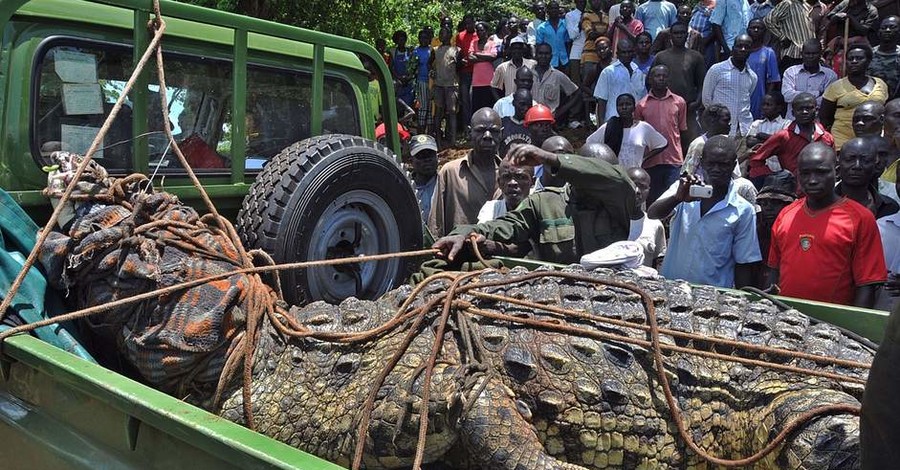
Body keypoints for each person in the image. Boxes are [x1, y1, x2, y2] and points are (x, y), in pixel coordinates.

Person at [432, 143, 638, 264]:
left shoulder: (619, 201)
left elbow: (618, 180)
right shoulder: (544, 201)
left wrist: (549, 158)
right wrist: (465, 232)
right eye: (591, 176)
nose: (599, 183)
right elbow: (506, 225)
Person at [767, 142, 887, 307]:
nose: (813, 180)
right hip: (786, 319)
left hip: (833, 324)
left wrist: (855, 326)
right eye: (805, 173)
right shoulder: (786, 214)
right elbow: (774, 270)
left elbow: (867, 285)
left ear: (836, 172)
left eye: (821, 172)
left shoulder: (861, 218)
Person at [648, 135, 761, 288]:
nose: (716, 170)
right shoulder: (682, 189)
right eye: (711, 164)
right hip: (671, 288)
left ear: (733, 165)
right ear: (702, 162)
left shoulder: (743, 211)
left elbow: (743, 263)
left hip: (712, 296)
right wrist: (677, 198)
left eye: (723, 165)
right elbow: (652, 213)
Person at [428, 108, 503, 237]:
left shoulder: (512, 176)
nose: (487, 136)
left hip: (501, 255)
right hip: (459, 254)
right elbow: (436, 225)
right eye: (480, 130)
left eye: (494, 131)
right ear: (469, 132)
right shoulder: (450, 172)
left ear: (501, 134)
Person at [748, 92, 834, 185]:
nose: (804, 112)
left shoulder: (827, 137)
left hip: (822, 190)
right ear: (793, 113)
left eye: (808, 108)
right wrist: (774, 178)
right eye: (800, 109)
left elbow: (833, 164)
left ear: (816, 110)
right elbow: (756, 159)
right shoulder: (784, 136)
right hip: (793, 192)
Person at [821, 44, 889, 150]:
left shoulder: (881, 84)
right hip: (843, 139)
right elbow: (825, 117)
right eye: (850, 59)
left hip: (874, 139)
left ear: (869, 61)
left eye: (859, 58)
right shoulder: (835, 87)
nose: (854, 61)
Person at [635, 65, 688, 201]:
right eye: (657, 76)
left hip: (674, 159)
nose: (661, 79)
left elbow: (682, 130)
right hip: (651, 161)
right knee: (653, 198)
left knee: (674, 197)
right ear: (650, 80)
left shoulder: (679, 102)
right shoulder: (641, 105)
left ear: (669, 80)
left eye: (664, 76)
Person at [653, 22, 707, 145]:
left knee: (689, 141)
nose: (679, 36)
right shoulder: (661, 57)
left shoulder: (695, 57)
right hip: (665, 106)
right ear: (670, 36)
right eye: (676, 33)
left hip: (689, 108)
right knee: (666, 140)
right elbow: (650, 81)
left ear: (687, 35)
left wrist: (698, 102)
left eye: (682, 33)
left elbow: (702, 83)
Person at [586, 93, 668, 168]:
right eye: (620, 105)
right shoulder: (609, 126)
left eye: (628, 104)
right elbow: (590, 143)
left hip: (634, 175)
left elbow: (662, 143)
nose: (624, 107)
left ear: (634, 108)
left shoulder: (643, 128)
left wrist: (644, 158)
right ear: (616, 108)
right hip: (614, 175)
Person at [702, 34, 758, 136]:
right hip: (721, 130)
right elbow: (706, 99)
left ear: (751, 50)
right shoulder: (717, 70)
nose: (743, 49)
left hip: (744, 130)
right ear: (733, 48)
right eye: (739, 46)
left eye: (746, 47)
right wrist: (718, 120)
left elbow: (747, 97)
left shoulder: (752, 76)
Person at [836, 137, 900, 219]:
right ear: (839, 163)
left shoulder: (889, 207)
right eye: (850, 159)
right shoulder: (821, 203)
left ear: (874, 165)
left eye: (865, 160)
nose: (857, 166)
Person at [753, 174, 798, 288]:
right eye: (764, 203)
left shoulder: (798, 228)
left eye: (776, 203)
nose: (768, 208)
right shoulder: (755, 225)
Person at [781, 39, 838, 119]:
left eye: (814, 53)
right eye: (807, 53)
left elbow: (826, 101)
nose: (810, 57)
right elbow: (787, 96)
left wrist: (799, 98)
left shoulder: (830, 75)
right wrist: (816, 93)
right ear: (802, 54)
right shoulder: (791, 72)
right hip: (792, 121)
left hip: (817, 123)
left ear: (820, 54)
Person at [594, 38, 646, 126]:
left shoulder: (638, 72)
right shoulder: (608, 72)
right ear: (617, 54)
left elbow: (643, 99)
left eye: (629, 52)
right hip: (613, 122)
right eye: (624, 52)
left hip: (635, 123)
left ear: (633, 53)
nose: (627, 55)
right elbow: (602, 101)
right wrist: (601, 126)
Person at [625, 167, 668, 268]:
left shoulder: (654, 224)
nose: (637, 191)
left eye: (643, 187)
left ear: (649, 190)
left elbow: (659, 261)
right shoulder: (609, 218)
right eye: (633, 184)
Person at [476, 157, 536, 226]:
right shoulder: (491, 209)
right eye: (507, 177)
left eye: (520, 177)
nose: (512, 183)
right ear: (499, 183)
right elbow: (482, 232)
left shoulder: (540, 210)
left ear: (532, 182)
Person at [532, 43, 581, 120]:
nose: (543, 56)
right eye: (540, 53)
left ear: (551, 56)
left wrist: (560, 112)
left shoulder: (558, 75)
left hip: (548, 121)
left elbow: (576, 93)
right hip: (530, 119)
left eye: (546, 54)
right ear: (535, 55)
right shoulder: (528, 74)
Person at [764, 0, 816, 72]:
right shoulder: (787, 4)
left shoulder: (805, 5)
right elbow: (768, 20)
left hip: (806, 54)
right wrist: (782, 37)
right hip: (793, 54)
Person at [746, 18, 781, 119]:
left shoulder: (768, 53)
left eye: (759, 28)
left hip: (758, 99)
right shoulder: (741, 51)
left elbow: (773, 80)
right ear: (748, 30)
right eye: (753, 27)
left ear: (765, 32)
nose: (756, 30)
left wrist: (766, 102)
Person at [432, 27, 460, 148]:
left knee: (452, 112)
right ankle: (438, 140)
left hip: (451, 86)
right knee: (438, 112)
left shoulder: (456, 50)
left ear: (449, 35)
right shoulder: (435, 50)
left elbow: (459, 67)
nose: (441, 36)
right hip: (438, 85)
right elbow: (430, 63)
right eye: (440, 33)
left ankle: (452, 141)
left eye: (444, 33)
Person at [408, 135, 439, 222]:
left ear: (437, 157)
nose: (427, 159)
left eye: (430, 154)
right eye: (421, 156)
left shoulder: (446, 183)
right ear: (411, 161)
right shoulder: (406, 188)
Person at [868, 16, 900, 100]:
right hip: (870, 100)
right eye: (884, 28)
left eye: (892, 27)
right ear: (879, 32)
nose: (888, 30)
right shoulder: (868, 54)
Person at [470, 22, 499, 112]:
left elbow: (493, 57)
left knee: (489, 107)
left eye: (481, 30)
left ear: (486, 31)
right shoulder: (474, 43)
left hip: (489, 81)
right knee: (477, 109)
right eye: (477, 31)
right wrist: (486, 58)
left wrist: (478, 54)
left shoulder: (492, 43)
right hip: (476, 82)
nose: (479, 33)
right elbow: (470, 58)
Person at [457, 16, 479, 128]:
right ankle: (467, 127)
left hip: (477, 71)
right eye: (466, 23)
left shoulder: (479, 34)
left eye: (470, 23)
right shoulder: (460, 36)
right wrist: (461, 61)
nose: (468, 25)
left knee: (474, 98)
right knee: (465, 100)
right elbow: (458, 53)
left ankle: (476, 124)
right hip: (464, 72)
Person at [536, 1, 570, 70]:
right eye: (551, 8)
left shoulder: (565, 25)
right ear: (547, 11)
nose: (554, 10)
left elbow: (568, 43)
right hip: (549, 62)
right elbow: (538, 46)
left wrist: (569, 60)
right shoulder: (541, 27)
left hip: (564, 61)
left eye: (556, 8)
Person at [500, 88, 535, 156]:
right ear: (513, 103)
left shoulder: (535, 126)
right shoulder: (503, 123)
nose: (526, 108)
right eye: (522, 104)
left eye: (529, 105)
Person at [412, 29, 433, 134]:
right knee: (423, 108)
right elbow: (412, 68)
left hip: (432, 82)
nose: (423, 40)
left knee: (430, 109)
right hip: (421, 81)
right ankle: (420, 134)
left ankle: (430, 134)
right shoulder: (416, 51)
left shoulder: (432, 50)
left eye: (425, 38)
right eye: (421, 38)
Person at [689, 0, 718, 68]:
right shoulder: (699, 6)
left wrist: (704, 41)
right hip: (692, 40)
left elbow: (716, 28)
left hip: (706, 42)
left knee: (704, 66)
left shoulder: (716, 7)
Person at [390, 30, 414, 107]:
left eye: (403, 39)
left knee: (408, 105)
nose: (401, 42)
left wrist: (408, 77)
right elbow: (391, 67)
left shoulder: (410, 51)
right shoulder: (393, 52)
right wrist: (399, 78)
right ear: (396, 41)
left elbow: (413, 66)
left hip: (408, 83)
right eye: (399, 40)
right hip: (397, 84)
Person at [566, 0, 588, 85]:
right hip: (577, 51)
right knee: (576, 81)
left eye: (584, 1)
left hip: (589, 50)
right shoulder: (570, 15)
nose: (582, 3)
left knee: (587, 79)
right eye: (580, 1)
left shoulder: (590, 14)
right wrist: (580, 22)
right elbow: (571, 35)